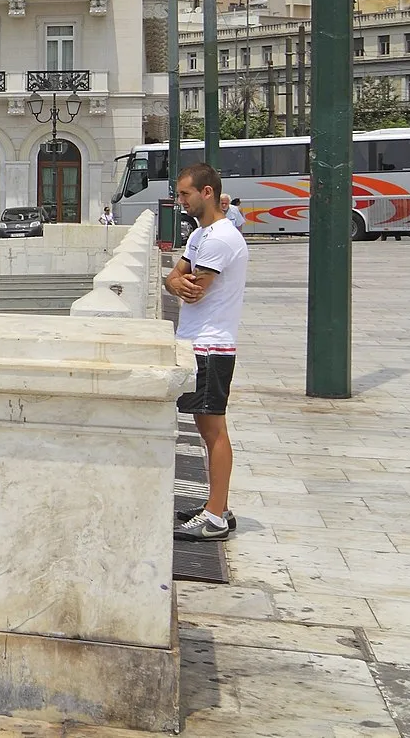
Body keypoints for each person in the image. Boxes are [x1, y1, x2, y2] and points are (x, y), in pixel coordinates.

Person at [166, 162, 249, 542]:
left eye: (185, 194)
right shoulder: (201, 235)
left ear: (207, 192)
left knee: (213, 429)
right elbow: (174, 278)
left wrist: (179, 281)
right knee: (205, 426)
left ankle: (215, 517)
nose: (179, 201)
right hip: (198, 341)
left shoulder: (219, 239)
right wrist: (174, 281)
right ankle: (218, 506)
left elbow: (195, 286)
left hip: (212, 346)